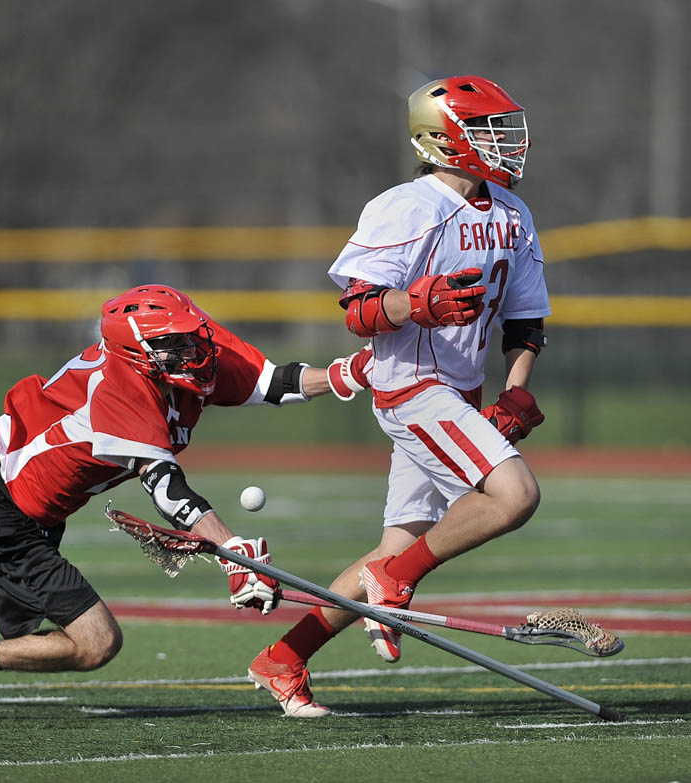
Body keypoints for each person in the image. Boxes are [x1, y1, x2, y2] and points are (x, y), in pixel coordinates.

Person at [0, 283, 371, 721]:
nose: (195, 353)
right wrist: (232, 551)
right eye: (175, 348)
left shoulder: (184, 348)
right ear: (141, 355)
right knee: (97, 643)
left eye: (191, 338)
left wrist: (349, 374)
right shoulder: (122, 401)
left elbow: (272, 380)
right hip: (16, 520)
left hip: (16, 498)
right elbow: (170, 492)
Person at [248, 75, 550, 717]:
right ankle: (396, 580)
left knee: (393, 548)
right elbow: (358, 312)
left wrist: (514, 394)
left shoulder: (514, 213)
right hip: (412, 386)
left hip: (458, 391)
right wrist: (414, 303)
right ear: (444, 139)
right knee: (515, 495)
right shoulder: (407, 207)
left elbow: (525, 322)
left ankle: (284, 656)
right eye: (492, 130)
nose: (508, 144)